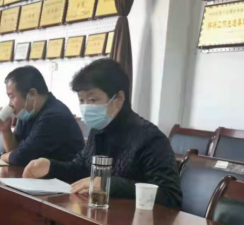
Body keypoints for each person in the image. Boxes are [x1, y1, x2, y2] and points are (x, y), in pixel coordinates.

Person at [23, 59, 182, 208]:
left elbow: (170, 196)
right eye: (81, 100)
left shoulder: (151, 138)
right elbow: (80, 168)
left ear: (118, 98)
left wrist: (108, 184)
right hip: (98, 213)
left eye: (92, 100)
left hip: (134, 222)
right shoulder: (98, 129)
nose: (86, 107)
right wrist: (50, 167)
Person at [0, 66, 85, 167]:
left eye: (12, 97)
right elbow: (15, 151)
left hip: (64, 176)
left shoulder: (54, 116)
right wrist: (5, 130)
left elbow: (21, 157)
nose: (10, 104)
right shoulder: (28, 112)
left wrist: (1, 156)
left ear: (32, 94)